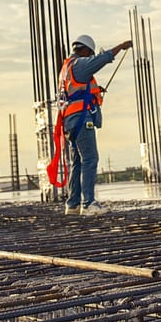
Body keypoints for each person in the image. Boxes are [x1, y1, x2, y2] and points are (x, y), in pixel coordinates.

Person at [58, 33, 132, 216]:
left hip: (70, 121)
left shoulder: (66, 68)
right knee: (90, 159)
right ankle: (89, 203)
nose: (90, 57)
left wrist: (95, 91)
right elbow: (101, 59)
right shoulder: (80, 64)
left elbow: (76, 91)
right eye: (89, 54)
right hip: (82, 120)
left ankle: (73, 204)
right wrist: (121, 46)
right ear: (84, 50)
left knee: (77, 161)